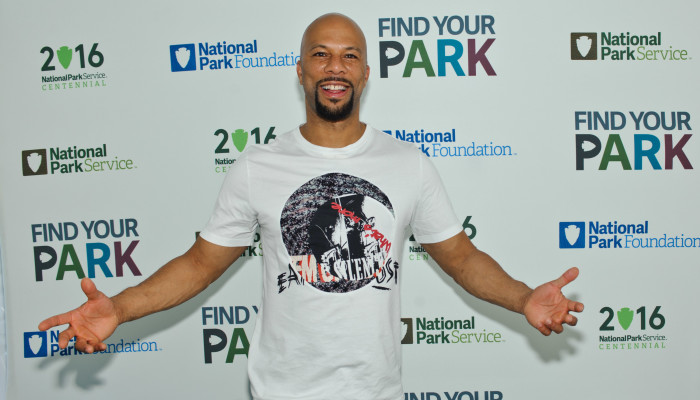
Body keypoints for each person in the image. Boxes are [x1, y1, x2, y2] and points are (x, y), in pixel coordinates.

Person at [39, 13, 584, 400]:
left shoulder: (408, 164)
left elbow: (461, 256)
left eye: (350, 56)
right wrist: (121, 308)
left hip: (376, 391)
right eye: (320, 54)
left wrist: (521, 297)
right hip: (282, 391)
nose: (335, 66)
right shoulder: (257, 166)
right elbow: (200, 263)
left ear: (366, 74)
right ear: (299, 71)